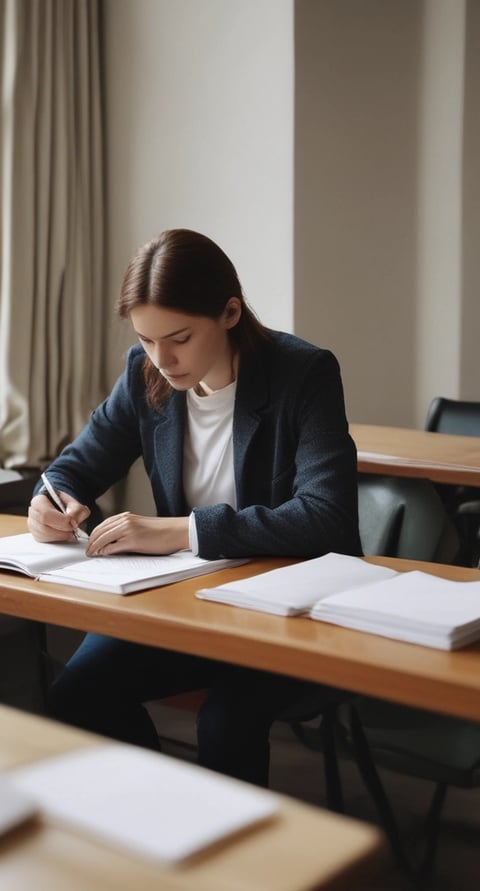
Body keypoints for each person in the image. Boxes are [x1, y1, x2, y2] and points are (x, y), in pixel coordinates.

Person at [27, 228, 361, 786]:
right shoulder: (144, 372)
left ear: (229, 312)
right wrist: (51, 499)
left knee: (225, 724)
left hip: (291, 612)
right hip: (191, 606)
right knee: (76, 696)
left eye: (178, 338)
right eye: (147, 340)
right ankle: (163, 824)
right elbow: (75, 466)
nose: (162, 359)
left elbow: (326, 516)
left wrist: (183, 531)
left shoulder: (303, 373)